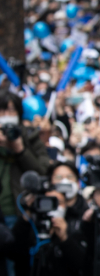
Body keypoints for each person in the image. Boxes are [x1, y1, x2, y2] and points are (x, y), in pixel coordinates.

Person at [0, 90, 51, 226]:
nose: (6, 116)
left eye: (11, 111)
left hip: (19, 211)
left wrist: (20, 150)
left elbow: (42, 171)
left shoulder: (31, 138)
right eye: (2, 111)